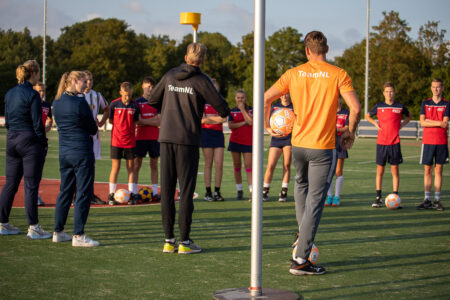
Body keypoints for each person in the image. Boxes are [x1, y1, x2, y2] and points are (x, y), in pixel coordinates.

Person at [264, 31, 361, 275]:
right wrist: (350, 130)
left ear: (307, 51)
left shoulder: (292, 74)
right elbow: (356, 108)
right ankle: (300, 260)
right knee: (316, 201)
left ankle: (301, 236)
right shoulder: (338, 74)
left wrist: (268, 126)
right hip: (323, 147)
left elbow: (266, 98)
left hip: (297, 145)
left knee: (301, 187)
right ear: (326, 49)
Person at [148, 43, 230, 254]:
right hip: (188, 140)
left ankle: (168, 241)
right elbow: (223, 109)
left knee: (167, 191)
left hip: (166, 137)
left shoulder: (169, 75)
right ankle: (184, 242)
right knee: (185, 192)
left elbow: (152, 101)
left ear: (186, 57)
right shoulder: (202, 80)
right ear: (202, 60)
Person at [0, 60, 51, 239]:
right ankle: (33, 227)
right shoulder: (33, 95)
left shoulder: (10, 93)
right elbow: (38, 124)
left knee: (10, 184)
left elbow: (7, 121)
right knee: (30, 185)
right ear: (35, 74)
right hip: (29, 141)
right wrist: (43, 143)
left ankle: (3, 223)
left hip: (12, 139)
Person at [52, 71, 99, 247]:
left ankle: (58, 231)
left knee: (65, 191)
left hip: (64, 153)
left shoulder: (56, 102)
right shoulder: (80, 102)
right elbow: (92, 128)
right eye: (83, 82)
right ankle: (78, 235)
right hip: (81, 152)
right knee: (83, 193)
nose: (86, 85)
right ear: (73, 81)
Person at [366, 82, 411, 208]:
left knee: (395, 170)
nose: (389, 93)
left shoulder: (400, 106)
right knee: (380, 170)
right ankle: (378, 197)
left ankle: (395, 195)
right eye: (386, 91)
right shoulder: (379, 106)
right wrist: (375, 124)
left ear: (394, 92)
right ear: (383, 93)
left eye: (391, 91)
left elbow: (409, 116)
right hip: (381, 143)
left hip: (395, 143)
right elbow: (368, 116)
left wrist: (401, 125)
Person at [416, 78, 449, 211]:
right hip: (428, 141)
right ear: (431, 88)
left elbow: (445, 123)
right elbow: (422, 123)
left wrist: (430, 120)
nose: (436, 89)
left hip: (441, 141)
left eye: (438, 87)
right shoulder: (425, 103)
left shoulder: (447, 104)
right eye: (434, 87)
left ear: (442, 88)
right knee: (427, 170)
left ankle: (437, 200)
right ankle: (427, 199)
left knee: (439, 170)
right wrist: (437, 122)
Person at [107, 82, 140, 205]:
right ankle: (111, 194)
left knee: (131, 169)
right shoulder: (114, 104)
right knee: (115, 167)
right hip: (116, 141)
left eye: (130, 95)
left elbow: (136, 121)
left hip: (130, 142)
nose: (127, 98)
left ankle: (131, 194)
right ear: (121, 93)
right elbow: (111, 120)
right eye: (125, 95)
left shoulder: (135, 105)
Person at [83, 70, 109, 204]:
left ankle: (90, 194)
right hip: (81, 136)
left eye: (91, 79)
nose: (89, 82)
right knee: (80, 166)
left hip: (93, 136)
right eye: (86, 80)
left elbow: (107, 109)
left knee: (91, 165)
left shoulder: (96, 95)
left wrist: (102, 122)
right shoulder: (77, 95)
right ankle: (78, 194)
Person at [134, 76, 161, 201]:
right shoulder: (137, 102)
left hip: (155, 137)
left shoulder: (157, 102)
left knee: (154, 164)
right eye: (147, 86)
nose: (150, 89)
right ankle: (134, 192)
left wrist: (145, 120)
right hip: (140, 138)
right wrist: (152, 120)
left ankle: (155, 192)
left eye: (152, 87)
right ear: (142, 87)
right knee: (137, 164)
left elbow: (159, 121)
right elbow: (138, 121)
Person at [262, 93, 293, 202]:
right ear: (280, 96)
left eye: (287, 94)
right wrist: (270, 130)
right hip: (276, 139)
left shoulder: (294, 107)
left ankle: (284, 191)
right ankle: (265, 190)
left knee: (287, 165)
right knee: (270, 165)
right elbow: (267, 121)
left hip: (289, 139)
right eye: (283, 95)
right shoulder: (274, 107)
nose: (284, 97)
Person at [201, 78, 227, 202]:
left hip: (218, 134)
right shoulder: (202, 101)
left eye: (215, 87)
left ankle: (217, 191)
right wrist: (217, 118)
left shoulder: (221, 102)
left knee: (219, 164)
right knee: (208, 164)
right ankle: (208, 192)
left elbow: (224, 119)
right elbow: (202, 120)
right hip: (206, 133)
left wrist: (211, 119)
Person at [228, 89, 253, 200]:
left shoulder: (251, 109)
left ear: (245, 98)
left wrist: (243, 110)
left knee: (248, 166)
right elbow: (230, 125)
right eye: (238, 97)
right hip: (235, 141)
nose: (240, 99)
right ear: (235, 98)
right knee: (237, 166)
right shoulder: (232, 111)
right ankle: (239, 190)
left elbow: (251, 122)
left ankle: (252, 191)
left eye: (242, 97)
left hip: (248, 142)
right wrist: (243, 123)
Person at [325, 97, 349, 207]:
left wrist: (335, 130)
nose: (336, 100)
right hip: (329, 142)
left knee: (338, 170)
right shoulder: (328, 111)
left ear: (340, 100)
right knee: (329, 171)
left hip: (340, 143)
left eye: (338, 98)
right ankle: (329, 196)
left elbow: (347, 128)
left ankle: (337, 197)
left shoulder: (346, 112)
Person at [33, 81, 53, 206]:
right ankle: (33, 196)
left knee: (38, 170)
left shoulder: (46, 105)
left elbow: (50, 119)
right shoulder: (31, 104)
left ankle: (35, 196)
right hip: (31, 141)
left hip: (42, 141)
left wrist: (47, 127)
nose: (41, 93)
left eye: (43, 91)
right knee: (32, 171)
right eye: (39, 91)